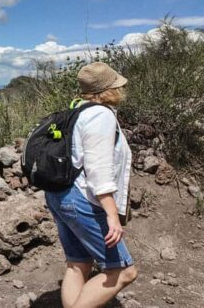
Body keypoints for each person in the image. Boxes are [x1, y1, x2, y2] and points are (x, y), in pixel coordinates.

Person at [45, 62, 138, 308]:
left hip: (61, 194)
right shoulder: (100, 116)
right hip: (82, 199)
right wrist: (112, 216)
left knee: (79, 264)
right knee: (125, 272)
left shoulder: (77, 111)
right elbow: (99, 172)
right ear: (109, 90)